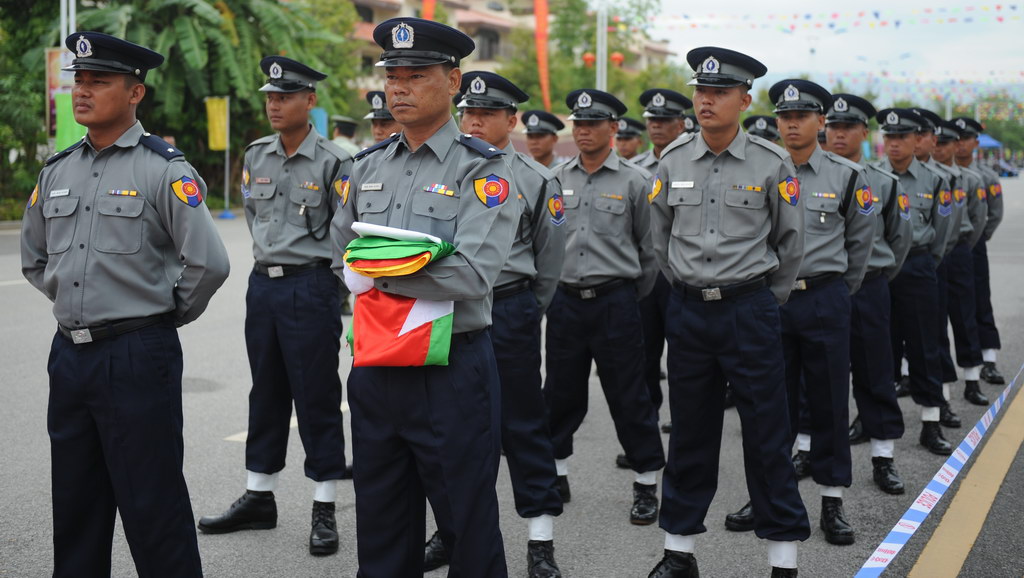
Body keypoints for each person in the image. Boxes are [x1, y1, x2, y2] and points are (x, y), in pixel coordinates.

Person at [21, 31, 230, 577]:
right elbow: (36, 259)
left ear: (135, 93)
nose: (83, 91)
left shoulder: (163, 169)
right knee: (76, 509)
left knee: (152, 507)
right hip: (69, 356)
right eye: (79, 81)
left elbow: (209, 264)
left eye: (99, 81)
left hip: (137, 355)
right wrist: (74, 302)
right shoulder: (57, 170)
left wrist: (158, 316)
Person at [329, 18, 519, 577]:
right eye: (393, 75)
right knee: (381, 525)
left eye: (416, 75)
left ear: (454, 81)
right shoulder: (366, 167)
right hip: (377, 366)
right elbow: (343, 251)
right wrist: (380, 268)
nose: (400, 87)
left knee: (467, 525)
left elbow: (471, 273)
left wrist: (377, 276)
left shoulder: (483, 170)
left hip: (451, 370)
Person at [647, 46, 809, 578]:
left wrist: (760, 298)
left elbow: (790, 244)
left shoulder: (771, 162)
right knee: (691, 434)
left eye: (719, 93)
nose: (706, 101)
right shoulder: (671, 162)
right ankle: (678, 553)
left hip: (749, 311)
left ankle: (782, 558)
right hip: (690, 314)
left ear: (744, 99)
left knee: (766, 435)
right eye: (701, 91)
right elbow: (660, 240)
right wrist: (692, 291)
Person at [197, 56, 352, 556]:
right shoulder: (257, 154)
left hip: (311, 287)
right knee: (265, 392)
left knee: (316, 395)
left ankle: (324, 505)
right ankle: (259, 498)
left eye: (284, 96)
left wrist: (320, 278)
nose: (274, 104)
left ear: (310, 100)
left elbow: (344, 232)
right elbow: (255, 218)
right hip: (263, 285)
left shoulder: (335, 160)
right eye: (270, 96)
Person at [422, 69, 567, 578]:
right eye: (469, 112)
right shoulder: (446, 167)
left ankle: (540, 539)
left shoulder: (537, 178)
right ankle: (450, 530)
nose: (475, 120)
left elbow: (550, 264)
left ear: (512, 120)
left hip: (507, 308)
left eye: (487, 113)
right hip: (446, 310)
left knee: (523, 424)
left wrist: (526, 308)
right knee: (449, 429)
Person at [725, 80, 876, 547]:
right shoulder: (761, 169)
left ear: (821, 122)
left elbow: (861, 246)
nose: (791, 124)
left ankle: (832, 501)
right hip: (769, 300)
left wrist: (835, 292)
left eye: (802, 116)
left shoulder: (847, 176)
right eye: (784, 117)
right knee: (769, 407)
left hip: (823, 298)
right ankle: (769, 496)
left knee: (830, 401)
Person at [543, 88, 665, 527]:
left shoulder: (635, 181)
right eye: (578, 124)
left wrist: (626, 295)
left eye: (593, 124)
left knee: (629, 395)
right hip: (566, 303)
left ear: (613, 128)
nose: (583, 131)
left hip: (616, 300)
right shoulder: (556, 178)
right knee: (560, 393)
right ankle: (556, 475)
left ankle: (646, 484)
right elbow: (547, 244)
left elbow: (650, 253)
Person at [825, 93, 912, 495]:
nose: (838, 134)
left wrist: (869, 278)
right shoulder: (806, 176)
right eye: (833, 127)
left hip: (870, 287)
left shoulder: (884, 183)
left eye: (847, 128)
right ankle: (810, 448)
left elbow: (899, 240)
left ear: (864, 132)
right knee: (818, 376)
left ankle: (882, 456)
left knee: (876, 371)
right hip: (822, 289)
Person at [874, 108, 956, 455]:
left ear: (915, 139)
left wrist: (924, 263)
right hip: (880, 269)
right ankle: (874, 423)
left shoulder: (935, 180)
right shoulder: (869, 176)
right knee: (878, 350)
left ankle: (931, 422)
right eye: (889, 137)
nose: (894, 144)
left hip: (919, 267)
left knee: (925, 346)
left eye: (902, 137)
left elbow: (944, 234)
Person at [624, 87, 694, 451]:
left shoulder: (694, 164)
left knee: (684, 359)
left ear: (683, 123)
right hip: (647, 275)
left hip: (682, 275)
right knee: (645, 356)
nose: (656, 126)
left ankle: (684, 427)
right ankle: (646, 430)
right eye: (652, 120)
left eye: (665, 120)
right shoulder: (636, 171)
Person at [926, 115, 990, 407]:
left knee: (965, 316)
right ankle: (943, 392)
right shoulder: (928, 177)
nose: (939, 149)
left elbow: (978, 220)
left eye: (946, 143)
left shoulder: (972, 180)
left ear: (956, 145)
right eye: (935, 143)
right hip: (934, 254)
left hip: (961, 251)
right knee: (935, 321)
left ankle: (973, 378)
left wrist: (962, 245)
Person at [952, 116, 1007, 386]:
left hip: (972, 247)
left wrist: (977, 239)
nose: (961, 144)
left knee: (980, 302)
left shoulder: (987, 176)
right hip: (946, 249)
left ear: (975, 142)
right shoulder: (943, 173)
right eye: (956, 138)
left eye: (966, 139)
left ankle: (989, 360)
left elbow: (994, 214)